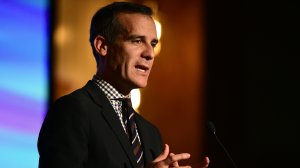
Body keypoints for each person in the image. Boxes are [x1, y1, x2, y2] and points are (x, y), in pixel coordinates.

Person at [38, 2, 209, 168]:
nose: (150, 53)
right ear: (102, 46)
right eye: (137, 41)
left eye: (153, 43)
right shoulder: (72, 111)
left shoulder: (150, 133)